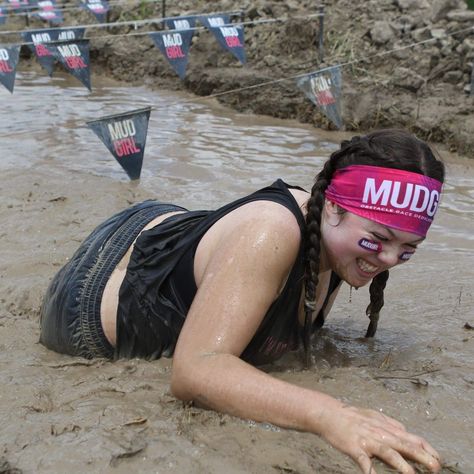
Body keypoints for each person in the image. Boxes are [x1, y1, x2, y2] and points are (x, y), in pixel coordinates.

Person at [40, 128, 445, 474]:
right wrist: (329, 415)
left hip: (171, 233)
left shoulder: (340, 245)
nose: (390, 259)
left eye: (409, 248)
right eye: (378, 239)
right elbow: (195, 373)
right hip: (85, 302)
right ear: (333, 208)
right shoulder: (270, 234)